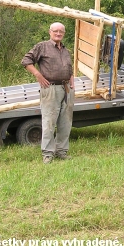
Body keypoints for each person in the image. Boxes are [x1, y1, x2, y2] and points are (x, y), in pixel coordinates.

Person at [22, 22, 75, 163]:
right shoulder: (42, 46)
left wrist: (72, 80)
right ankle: (48, 154)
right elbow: (26, 61)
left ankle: (61, 152)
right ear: (49, 32)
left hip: (67, 89)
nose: (58, 34)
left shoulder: (65, 49)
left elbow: (69, 68)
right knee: (49, 122)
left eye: (61, 32)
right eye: (55, 31)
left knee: (65, 123)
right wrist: (38, 75)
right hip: (50, 89)